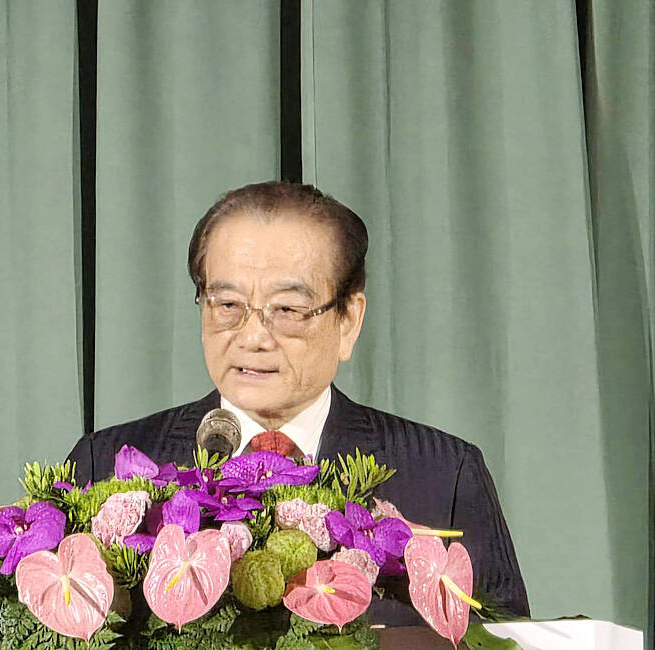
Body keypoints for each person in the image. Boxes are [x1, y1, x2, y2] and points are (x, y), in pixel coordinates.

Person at [66, 181, 530, 626]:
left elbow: (503, 638)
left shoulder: (443, 475)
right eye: (227, 305)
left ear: (348, 321)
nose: (252, 337)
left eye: (287, 310)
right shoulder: (102, 467)